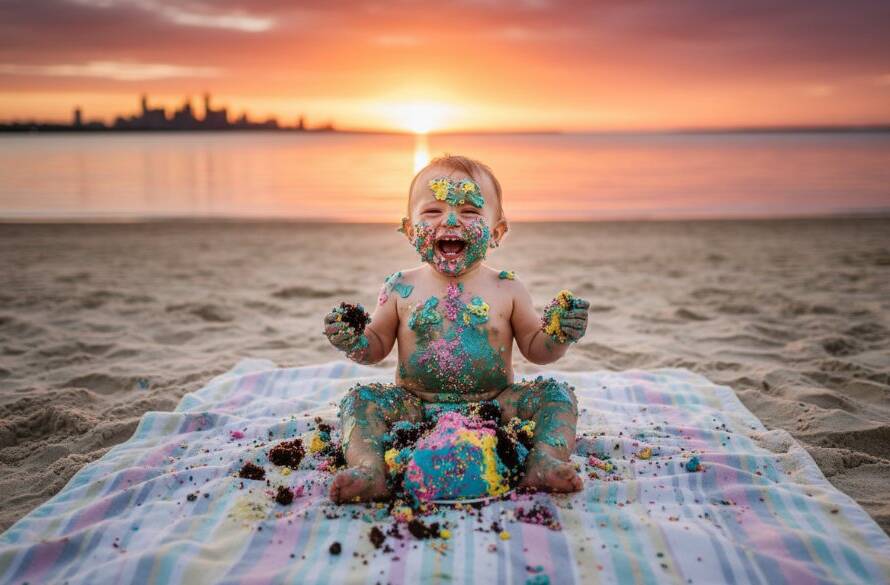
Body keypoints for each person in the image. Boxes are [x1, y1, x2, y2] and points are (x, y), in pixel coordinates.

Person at [324, 155, 589, 503]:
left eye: (470, 212)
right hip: (414, 406)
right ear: (409, 230)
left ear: (497, 232)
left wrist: (559, 336)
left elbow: (536, 349)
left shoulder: (508, 288)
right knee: (358, 402)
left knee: (557, 395)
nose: (450, 220)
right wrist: (354, 340)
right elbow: (375, 346)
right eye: (432, 212)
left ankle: (544, 460)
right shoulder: (399, 286)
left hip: (496, 405)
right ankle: (371, 469)